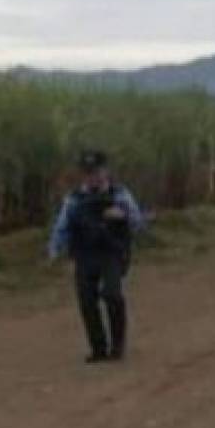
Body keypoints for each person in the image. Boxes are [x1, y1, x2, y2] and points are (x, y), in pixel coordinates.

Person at [48, 150, 147, 364]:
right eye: (88, 173)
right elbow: (62, 227)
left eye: (97, 171)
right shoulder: (74, 200)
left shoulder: (120, 195)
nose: (93, 176)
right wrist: (54, 251)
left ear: (106, 171)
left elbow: (138, 223)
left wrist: (123, 216)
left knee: (112, 294)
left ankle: (117, 346)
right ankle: (98, 349)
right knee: (87, 301)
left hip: (111, 253)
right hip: (85, 255)